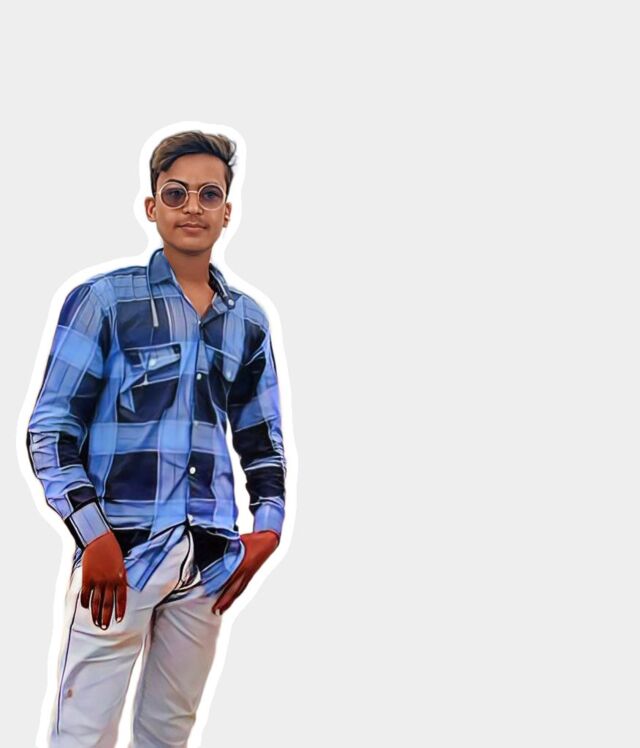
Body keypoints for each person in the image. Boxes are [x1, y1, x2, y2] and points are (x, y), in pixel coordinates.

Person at [25, 130, 287, 747]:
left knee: (170, 733)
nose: (192, 207)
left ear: (228, 211)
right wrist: (94, 535)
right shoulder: (104, 301)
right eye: (176, 193)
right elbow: (52, 430)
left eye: (208, 194)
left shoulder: (247, 320)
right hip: (119, 557)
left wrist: (268, 528)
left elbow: (261, 438)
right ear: (152, 206)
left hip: (209, 559)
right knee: (82, 733)